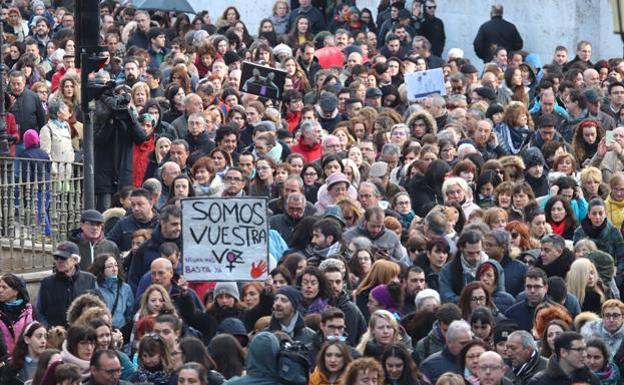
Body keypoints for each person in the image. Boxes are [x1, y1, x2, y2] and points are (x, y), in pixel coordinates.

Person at [37, 241, 97, 327]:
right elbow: (40, 312)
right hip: (56, 336)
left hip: (83, 334)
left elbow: (98, 308)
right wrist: (48, 330)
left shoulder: (89, 280)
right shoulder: (46, 283)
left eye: (63, 258)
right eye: (57, 258)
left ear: (75, 260)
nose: (59, 261)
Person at [526, 331, 600, 385]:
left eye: (584, 349)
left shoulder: (591, 379)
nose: (584, 354)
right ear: (563, 352)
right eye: (579, 350)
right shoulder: (539, 382)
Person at [420, 319, 472, 384]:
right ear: (449, 341)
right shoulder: (430, 366)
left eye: (469, 343)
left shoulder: (478, 362)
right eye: (463, 343)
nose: (468, 347)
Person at [90, 254, 134, 330]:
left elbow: (129, 314)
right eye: (110, 266)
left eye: (116, 265)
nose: (114, 269)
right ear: (101, 269)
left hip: (121, 330)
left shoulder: (125, 288)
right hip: (101, 330)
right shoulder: (94, 288)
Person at [0, 273, 34, 354]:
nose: (0, 290)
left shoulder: (30, 310)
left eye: (4, 287)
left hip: (24, 358)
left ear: (16, 291)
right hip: (3, 361)